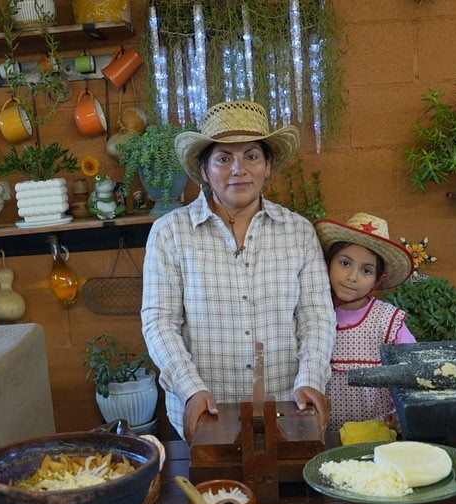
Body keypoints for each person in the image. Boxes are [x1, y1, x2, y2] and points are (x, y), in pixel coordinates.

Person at [141, 100, 335, 439]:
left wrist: (310, 380)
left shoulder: (298, 231)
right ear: (204, 170)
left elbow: (315, 317)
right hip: (206, 418)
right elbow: (160, 322)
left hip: (289, 414)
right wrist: (191, 389)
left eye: (251, 156)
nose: (238, 169)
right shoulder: (170, 233)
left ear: (268, 165)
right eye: (223, 158)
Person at [314, 212, 416, 434]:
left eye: (366, 270)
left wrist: (402, 411)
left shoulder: (387, 321)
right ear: (329, 262)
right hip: (323, 435)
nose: (352, 277)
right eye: (345, 263)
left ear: (378, 279)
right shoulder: (313, 315)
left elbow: (411, 371)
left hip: (378, 436)